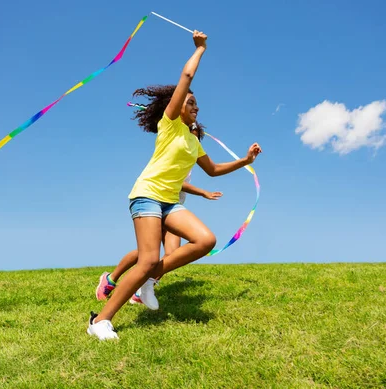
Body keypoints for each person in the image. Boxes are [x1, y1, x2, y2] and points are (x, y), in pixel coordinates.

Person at [88, 30, 262, 340]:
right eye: (190, 102)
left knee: (205, 240)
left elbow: (213, 170)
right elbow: (186, 74)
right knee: (147, 259)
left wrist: (245, 162)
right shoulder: (169, 124)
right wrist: (200, 49)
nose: (196, 107)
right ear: (177, 105)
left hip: (169, 202)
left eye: (197, 104)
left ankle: (149, 282)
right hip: (146, 196)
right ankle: (100, 320)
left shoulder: (194, 142)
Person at [95, 125, 222, 309]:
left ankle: (143, 288)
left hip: (172, 209)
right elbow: (178, 184)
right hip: (153, 202)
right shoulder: (174, 151)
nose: (191, 138)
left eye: (195, 137)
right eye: (189, 133)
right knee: (146, 255)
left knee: (171, 254)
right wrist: (203, 192)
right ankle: (110, 279)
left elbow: (212, 169)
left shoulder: (189, 161)